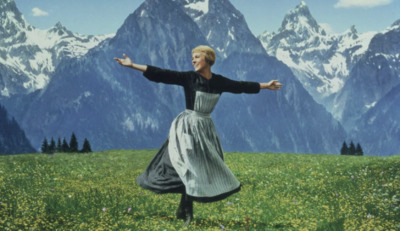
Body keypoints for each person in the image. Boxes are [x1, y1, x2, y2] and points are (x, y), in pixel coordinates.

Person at [114, 45, 282, 227]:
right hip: (187, 128)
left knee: (199, 168)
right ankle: (187, 212)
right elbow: (162, 74)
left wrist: (266, 85)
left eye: (196, 57)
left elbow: (240, 86)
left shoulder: (219, 82)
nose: (193, 60)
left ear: (208, 60)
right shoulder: (189, 78)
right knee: (187, 166)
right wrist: (132, 65)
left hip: (205, 128)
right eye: (192, 57)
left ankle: (182, 209)